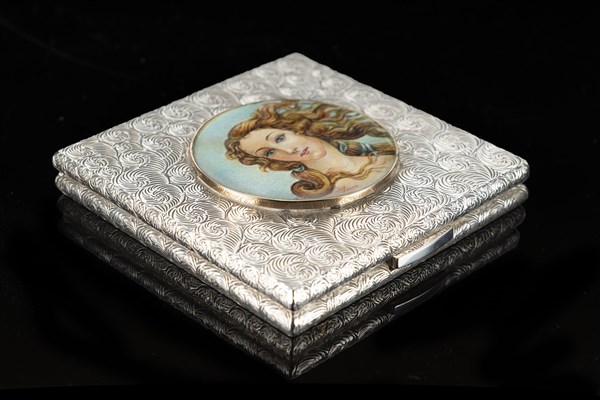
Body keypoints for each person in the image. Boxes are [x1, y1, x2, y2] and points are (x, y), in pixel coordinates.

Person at [225, 100, 396, 198]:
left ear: (295, 128)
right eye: (270, 152)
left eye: (280, 138)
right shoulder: (322, 193)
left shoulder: (384, 157)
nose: (289, 151)